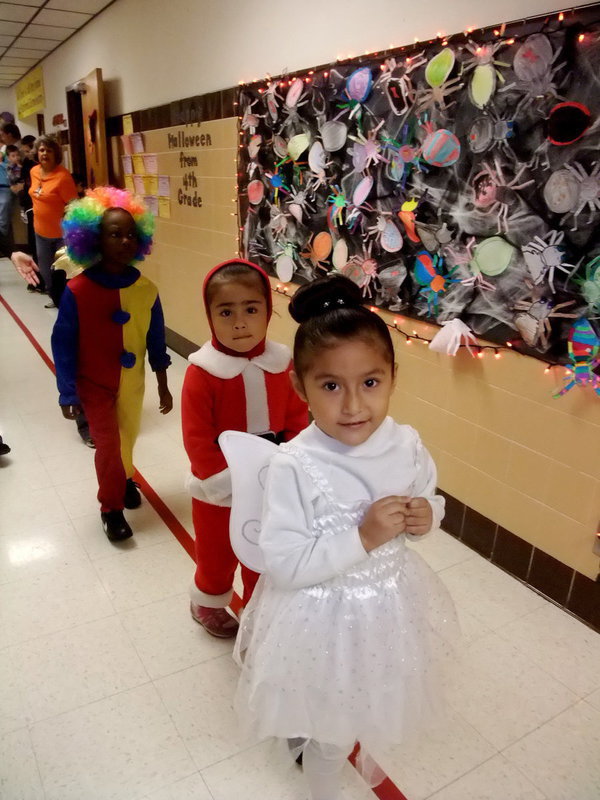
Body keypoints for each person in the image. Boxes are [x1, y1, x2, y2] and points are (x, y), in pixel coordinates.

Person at [233, 275, 457, 800]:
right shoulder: (296, 465)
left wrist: (429, 515)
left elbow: (429, 495)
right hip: (321, 616)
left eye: (370, 383)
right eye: (331, 385)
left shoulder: (405, 444)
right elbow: (284, 563)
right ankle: (321, 784)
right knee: (331, 730)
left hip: (387, 608)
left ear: (393, 378)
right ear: (300, 387)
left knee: (369, 699)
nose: (354, 405)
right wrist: (363, 536)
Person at [181, 259, 308, 638]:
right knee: (216, 554)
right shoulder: (203, 372)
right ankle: (208, 600)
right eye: (226, 311)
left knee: (261, 552)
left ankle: (258, 615)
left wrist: (290, 463)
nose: (240, 323)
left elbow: (298, 419)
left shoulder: (282, 363)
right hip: (219, 492)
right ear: (209, 316)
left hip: (271, 480)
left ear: (268, 312)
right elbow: (197, 438)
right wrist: (224, 481)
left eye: (251, 310)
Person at [51, 187, 173, 542]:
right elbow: (63, 344)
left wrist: (163, 382)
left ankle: (126, 477)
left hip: (131, 382)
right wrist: (67, 392)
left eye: (131, 234)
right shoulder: (77, 291)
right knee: (107, 444)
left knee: (127, 437)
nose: (124, 241)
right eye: (114, 234)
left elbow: (156, 339)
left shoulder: (147, 289)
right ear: (93, 239)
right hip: (94, 384)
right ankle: (111, 509)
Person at [29, 135, 77, 304]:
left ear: (56, 154)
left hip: (61, 234)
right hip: (40, 231)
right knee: (45, 271)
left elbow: (73, 205)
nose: (44, 154)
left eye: (49, 150)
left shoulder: (63, 177)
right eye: (41, 150)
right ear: (37, 152)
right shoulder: (34, 172)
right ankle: (55, 298)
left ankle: (67, 302)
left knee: (63, 270)